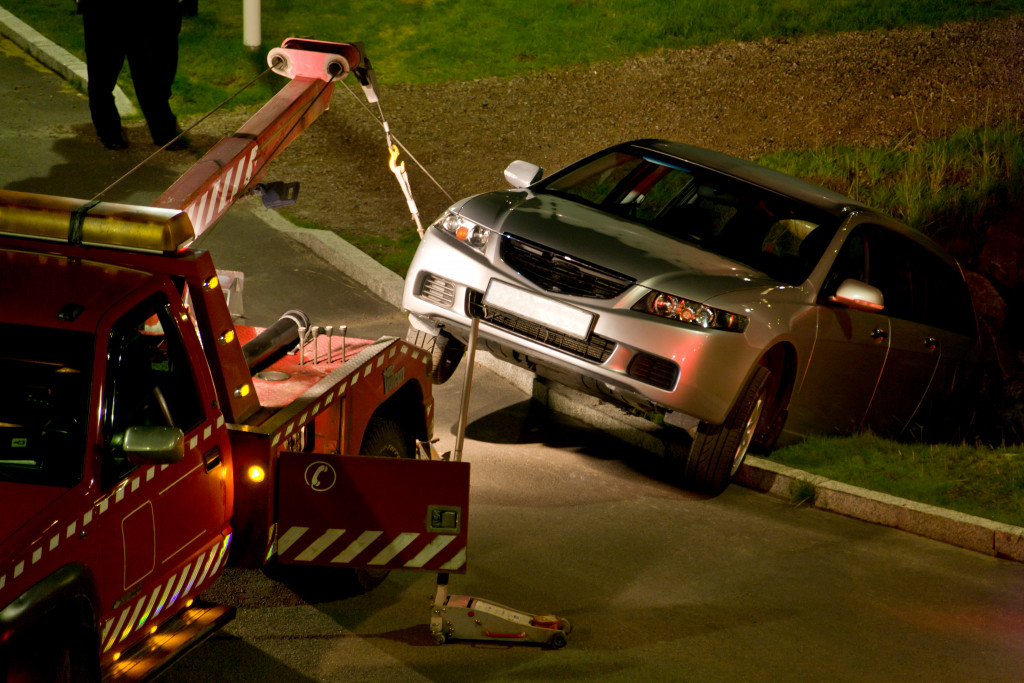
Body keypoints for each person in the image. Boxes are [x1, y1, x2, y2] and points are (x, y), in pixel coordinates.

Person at [77, 0, 197, 150]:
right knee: (102, 76)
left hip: (148, 12)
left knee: (151, 76)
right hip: (103, 12)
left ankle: (163, 132)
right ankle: (108, 132)